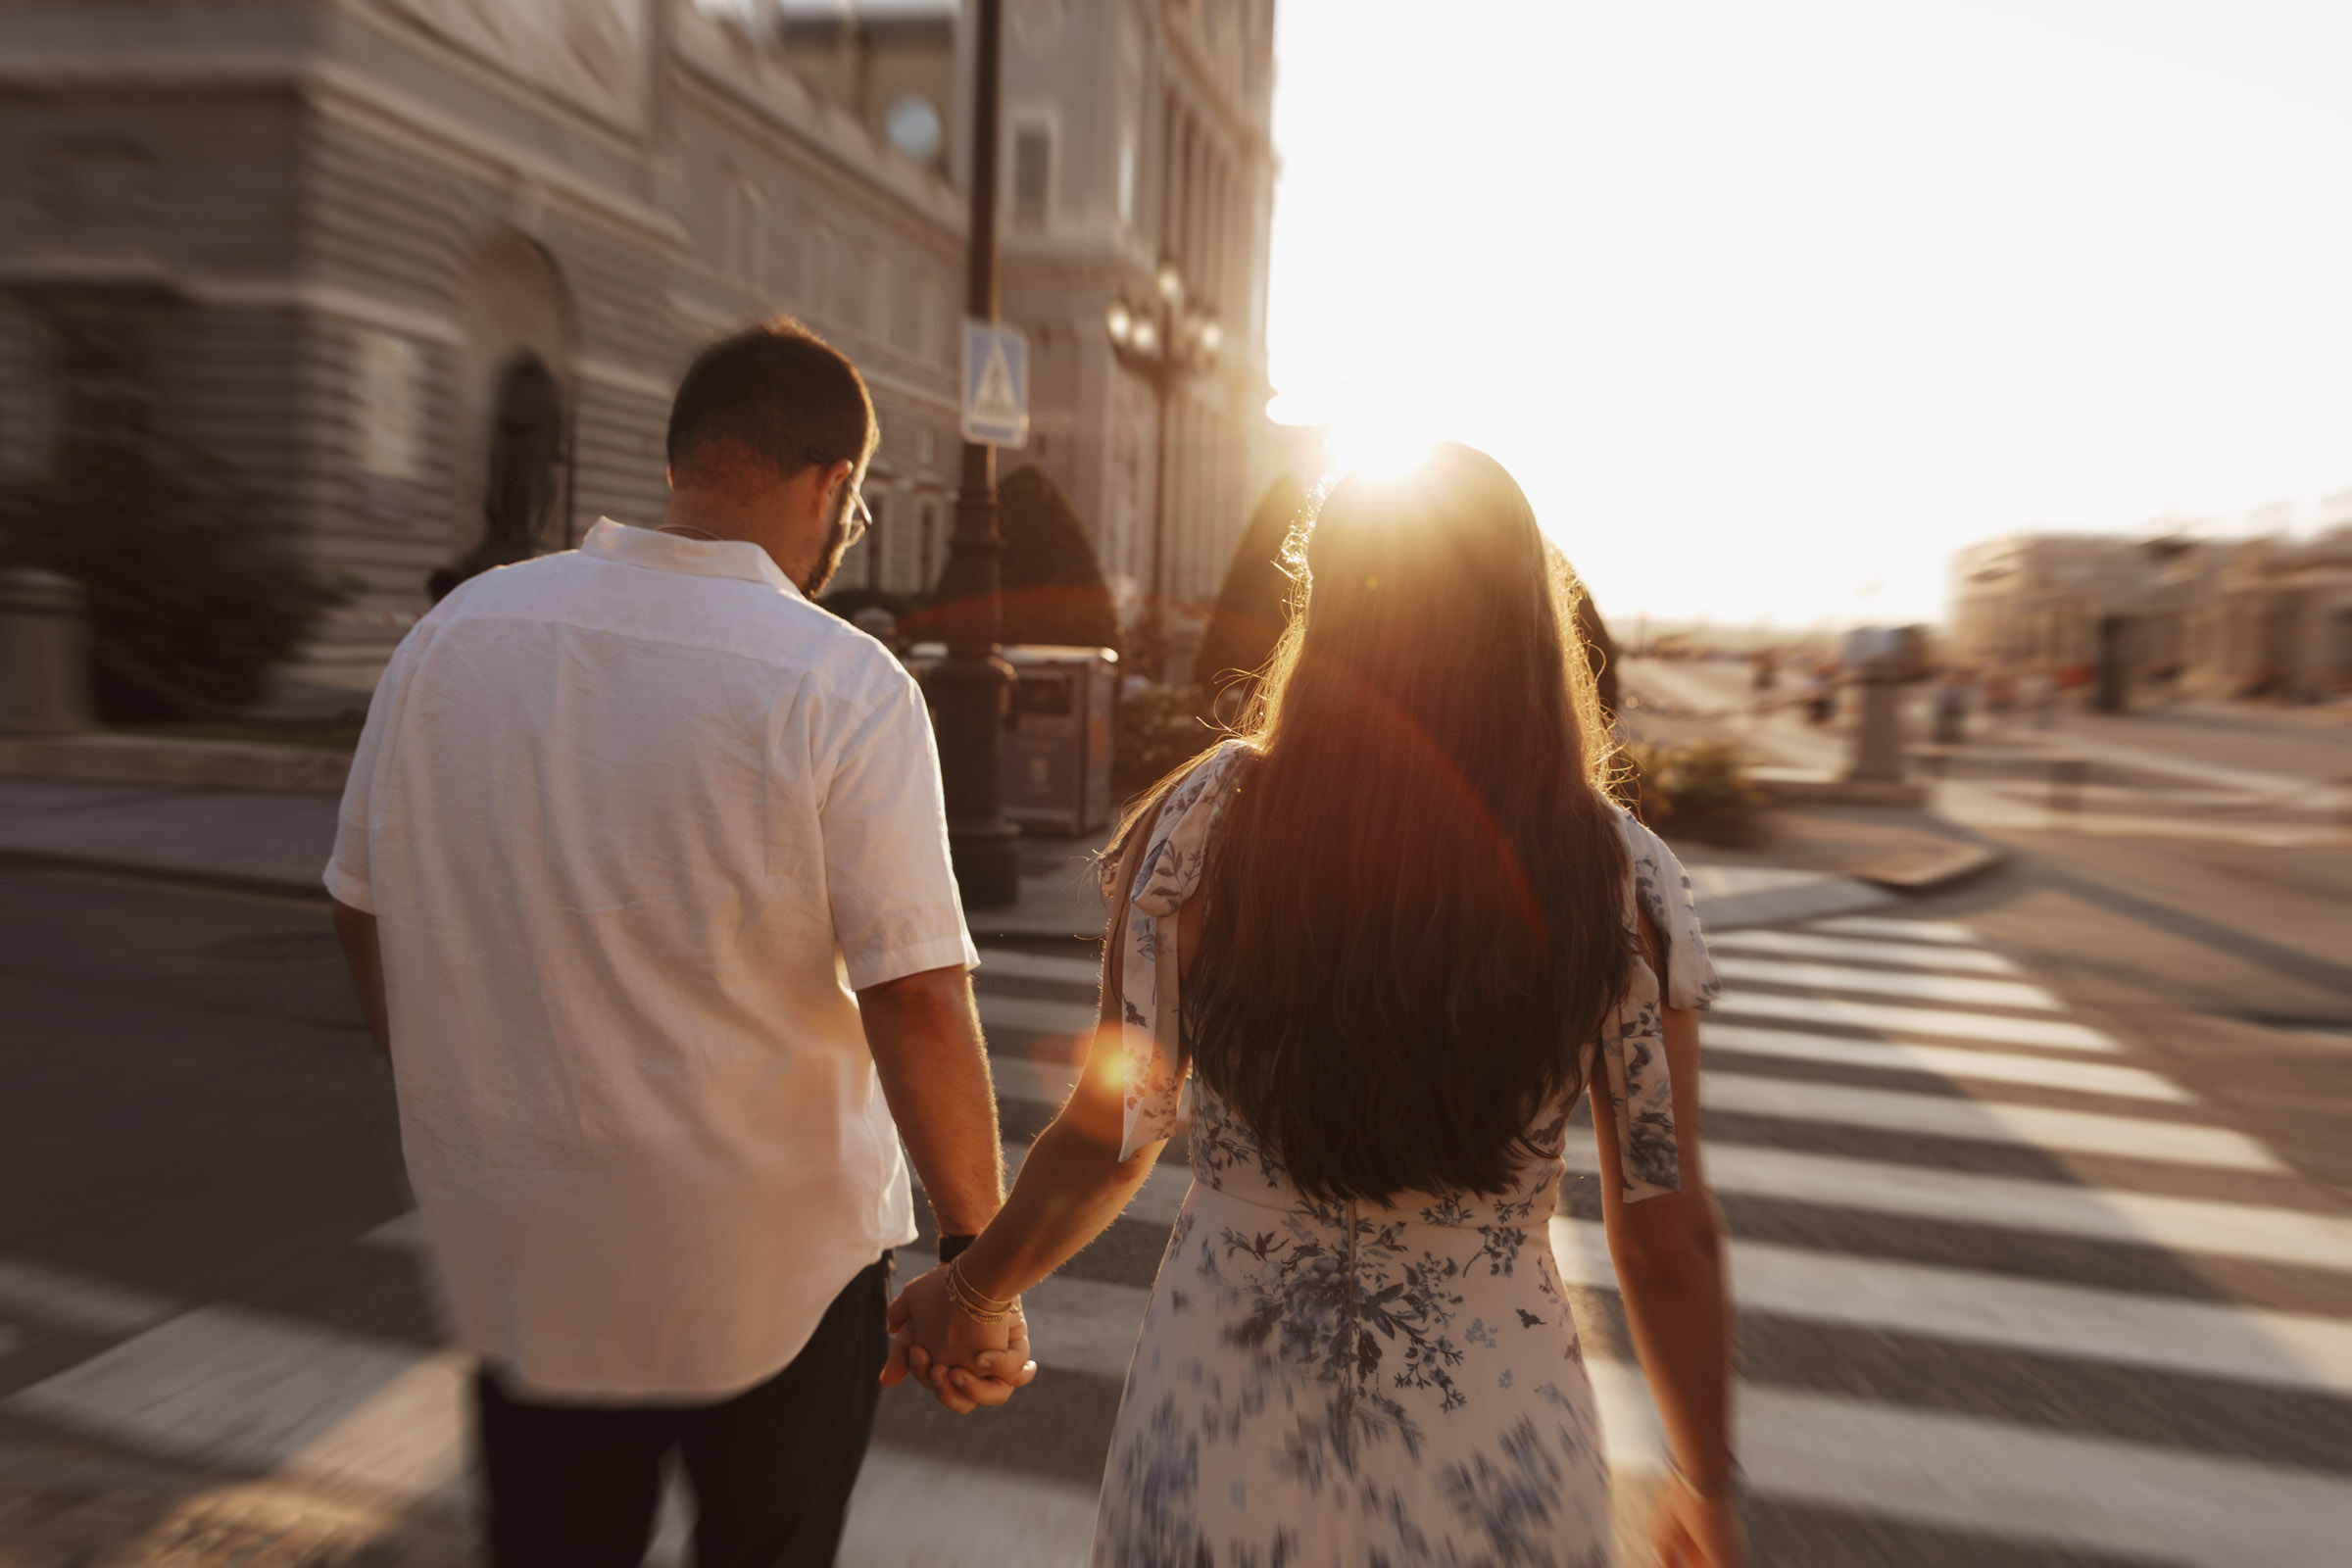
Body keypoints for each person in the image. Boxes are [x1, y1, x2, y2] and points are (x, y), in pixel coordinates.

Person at [890, 444, 1741, 1566]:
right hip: (1493, 1440)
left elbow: (1114, 1131)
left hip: (1226, 1421)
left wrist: (974, 1288)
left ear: (1330, 607)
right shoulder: (1620, 879)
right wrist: (1708, 1479)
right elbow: (1664, 1228)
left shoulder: (1205, 825)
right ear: (1529, 623)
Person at [326, 318, 1033, 1568]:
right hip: (772, 1265)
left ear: (681, 460)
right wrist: (977, 1260)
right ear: (834, 485)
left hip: (526, 1253)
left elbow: (362, 905)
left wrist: (465, 1092)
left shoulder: (454, 637)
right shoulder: (841, 682)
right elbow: (916, 993)